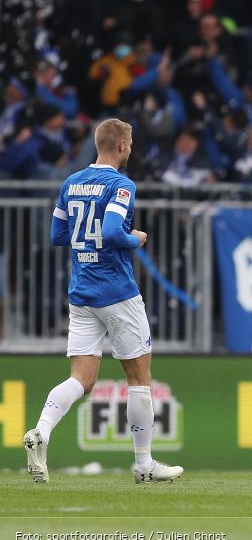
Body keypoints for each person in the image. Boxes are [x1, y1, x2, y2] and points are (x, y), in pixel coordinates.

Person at [23, 118, 183, 484]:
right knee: (139, 376)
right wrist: (135, 237)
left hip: (81, 293)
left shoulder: (71, 182)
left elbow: (57, 235)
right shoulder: (122, 184)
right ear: (123, 146)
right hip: (117, 292)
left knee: (82, 378)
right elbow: (113, 231)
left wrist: (87, 239)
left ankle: (41, 432)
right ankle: (144, 465)